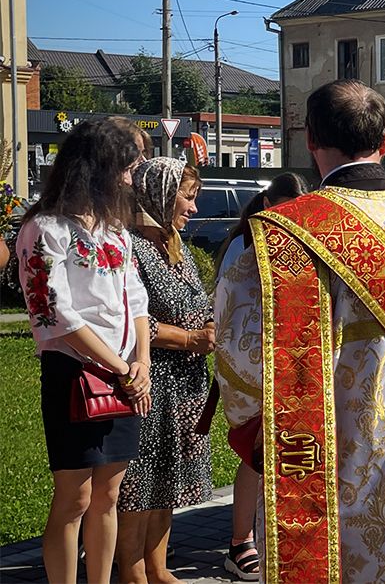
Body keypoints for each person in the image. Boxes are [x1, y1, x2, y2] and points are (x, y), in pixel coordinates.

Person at [215, 79, 385, 582]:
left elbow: (241, 350)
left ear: (309, 139)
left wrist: (253, 430)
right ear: (384, 140)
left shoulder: (281, 233)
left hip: (326, 444)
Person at [17, 117, 152, 584]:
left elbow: (136, 298)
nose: (131, 180)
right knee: (74, 499)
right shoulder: (45, 229)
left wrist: (143, 364)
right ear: (97, 168)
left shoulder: (115, 232)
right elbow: (55, 313)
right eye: (126, 169)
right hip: (73, 375)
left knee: (108, 497)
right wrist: (122, 368)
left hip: (122, 377)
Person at [115, 159, 216, 584]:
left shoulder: (177, 245)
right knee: (141, 483)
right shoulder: (131, 247)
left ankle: (158, 568)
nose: (193, 209)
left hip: (187, 386)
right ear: (158, 193)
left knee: (168, 479)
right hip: (152, 382)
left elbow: (198, 302)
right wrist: (190, 339)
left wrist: (210, 323)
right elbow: (130, 318)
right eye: (188, 197)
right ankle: (132, 570)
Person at [211, 171, 307, 581]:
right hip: (253, 365)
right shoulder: (243, 245)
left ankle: (285, 535)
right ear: (271, 205)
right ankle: (240, 542)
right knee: (256, 455)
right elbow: (233, 311)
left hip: (295, 362)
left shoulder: (293, 239)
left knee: (292, 454)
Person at [215, 172, 309, 278]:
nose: (291, 219)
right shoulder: (243, 245)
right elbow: (226, 290)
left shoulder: (309, 246)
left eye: (299, 210)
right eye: (284, 211)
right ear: (267, 205)